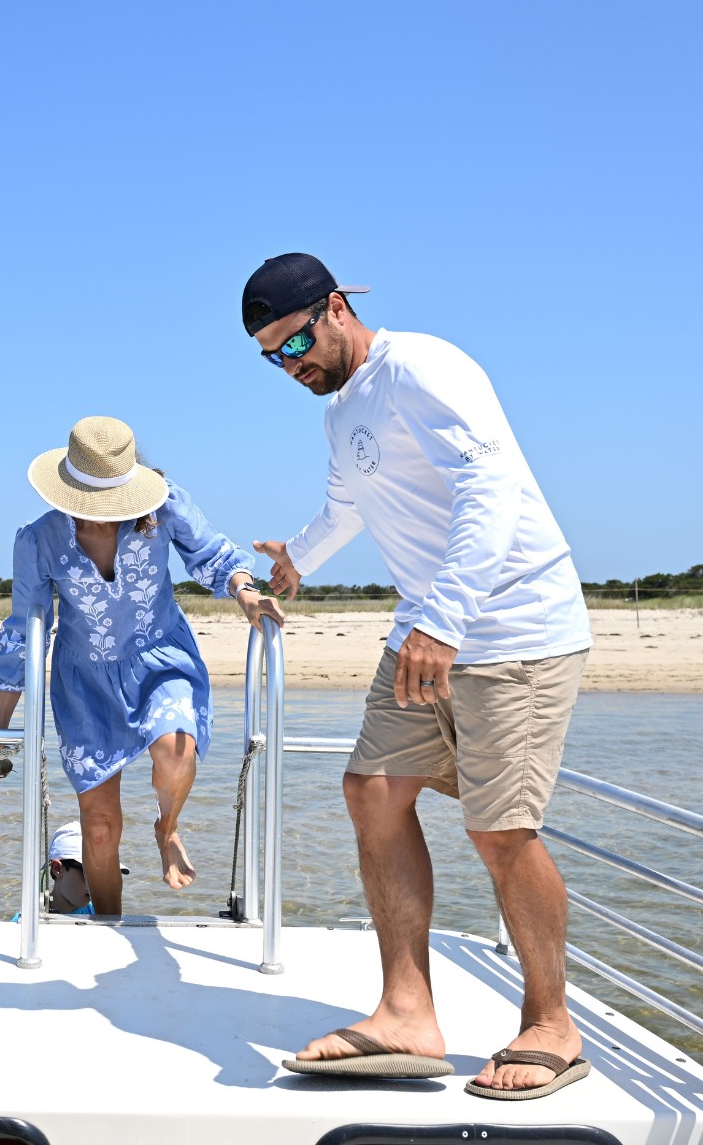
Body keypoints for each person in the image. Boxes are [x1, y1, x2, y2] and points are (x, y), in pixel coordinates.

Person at [243, 253, 592, 1100]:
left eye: (295, 346)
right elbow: (350, 505)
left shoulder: (423, 366)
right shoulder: (342, 411)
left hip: (511, 630)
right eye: (272, 360)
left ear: (334, 308)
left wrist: (446, 615)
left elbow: (490, 486)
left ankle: (553, 1023)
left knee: (501, 832)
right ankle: (407, 1012)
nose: (291, 369)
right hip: (427, 633)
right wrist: (300, 559)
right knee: (371, 790)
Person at [0, 415, 284, 917]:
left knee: (175, 748)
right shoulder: (39, 540)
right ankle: (108, 925)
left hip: (159, 658)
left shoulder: (164, 507)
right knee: (99, 829)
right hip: (84, 683)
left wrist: (248, 594)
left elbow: (213, 554)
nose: (101, 514)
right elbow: (25, 632)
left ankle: (166, 829)